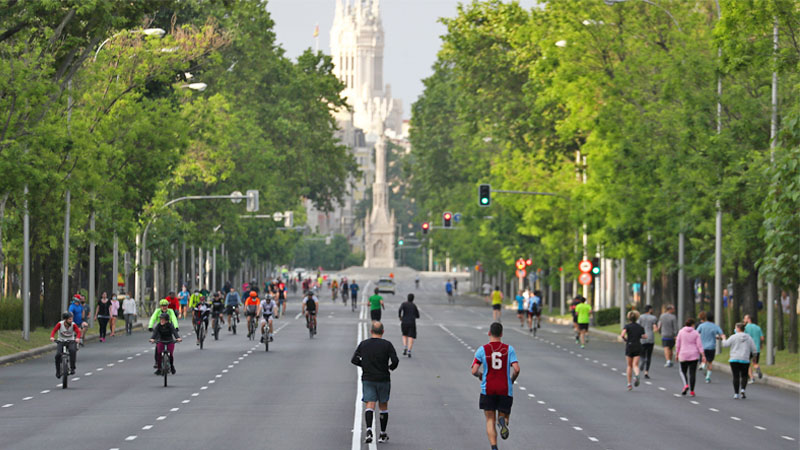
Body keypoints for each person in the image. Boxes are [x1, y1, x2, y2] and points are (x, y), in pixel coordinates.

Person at [471, 322, 520, 450]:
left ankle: (494, 447)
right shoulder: (509, 349)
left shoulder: (482, 350)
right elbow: (516, 368)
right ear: (502, 334)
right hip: (505, 389)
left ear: (489, 333)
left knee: (489, 420)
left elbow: (474, 370)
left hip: (488, 389)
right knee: (503, 416)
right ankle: (502, 423)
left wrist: (480, 375)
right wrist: (512, 380)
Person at [351, 321, 399, 444]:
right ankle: (382, 433)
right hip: (383, 378)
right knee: (383, 405)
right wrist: (390, 367)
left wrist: (364, 365)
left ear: (371, 331)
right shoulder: (387, 345)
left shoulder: (364, 344)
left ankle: (368, 430)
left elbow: (354, 359)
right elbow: (395, 360)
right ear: (382, 332)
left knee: (370, 404)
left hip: (368, 378)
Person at [722, 322, 757, 399]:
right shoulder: (749, 338)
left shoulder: (733, 337)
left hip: (734, 359)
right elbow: (754, 349)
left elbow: (725, 345)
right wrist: (754, 358)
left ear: (737, 328)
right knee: (744, 376)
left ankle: (736, 393)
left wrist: (723, 339)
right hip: (745, 359)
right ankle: (743, 390)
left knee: (736, 376)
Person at [675, 318, 706, 397]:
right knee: (692, 373)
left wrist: (677, 353)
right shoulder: (696, 333)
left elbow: (678, 344)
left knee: (682, 371)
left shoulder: (681, 332)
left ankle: (686, 385)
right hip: (694, 355)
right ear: (693, 325)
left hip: (683, 354)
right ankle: (692, 391)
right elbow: (699, 345)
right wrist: (703, 355)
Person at [696, 311, 724, 383]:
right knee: (710, 362)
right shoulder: (715, 326)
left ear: (706, 318)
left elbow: (696, 333)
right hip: (711, 347)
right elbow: (721, 334)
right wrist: (721, 338)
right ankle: (708, 377)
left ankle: (703, 364)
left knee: (703, 358)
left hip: (702, 346)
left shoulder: (702, 325)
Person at [50, 312, 81, 378]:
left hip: (71, 341)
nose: (71, 320)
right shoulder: (60, 324)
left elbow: (78, 332)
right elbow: (54, 330)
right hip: (61, 341)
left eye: (71, 319)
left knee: (72, 351)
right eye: (69, 319)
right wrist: (52, 337)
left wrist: (77, 338)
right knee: (58, 355)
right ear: (65, 320)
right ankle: (58, 371)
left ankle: (72, 368)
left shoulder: (73, 325)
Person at [621, 310, 645, 390]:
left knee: (629, 365)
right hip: (637, 346)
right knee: (635, 365)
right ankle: (637, 374)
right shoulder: (640, 327)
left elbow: (622, 334)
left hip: (630, 345)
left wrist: (625, 339)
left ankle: (629, 384)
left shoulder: (627, 326)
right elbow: (644, 336)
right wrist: (639, 336)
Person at [637, 305, 658, 378]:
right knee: (649, 355)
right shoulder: (653, 318)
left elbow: (638, 326)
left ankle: (643, 360)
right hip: (650, 337)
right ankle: (646, 372)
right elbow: (655, 328)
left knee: (642, 353)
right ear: (650, 310)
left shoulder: (640, 317)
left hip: (642, 337)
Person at [743, 315, 764, 381]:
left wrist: (743, 324)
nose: (744, 319)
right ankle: (757, 368)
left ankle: (752, 378)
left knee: (747, 364)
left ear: (748, 319)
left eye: (745, 318)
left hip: (749, 349)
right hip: (756, 349)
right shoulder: (758, 327)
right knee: (755, 363)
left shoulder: (745, 328)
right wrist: (760, 344)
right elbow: (762, 338)